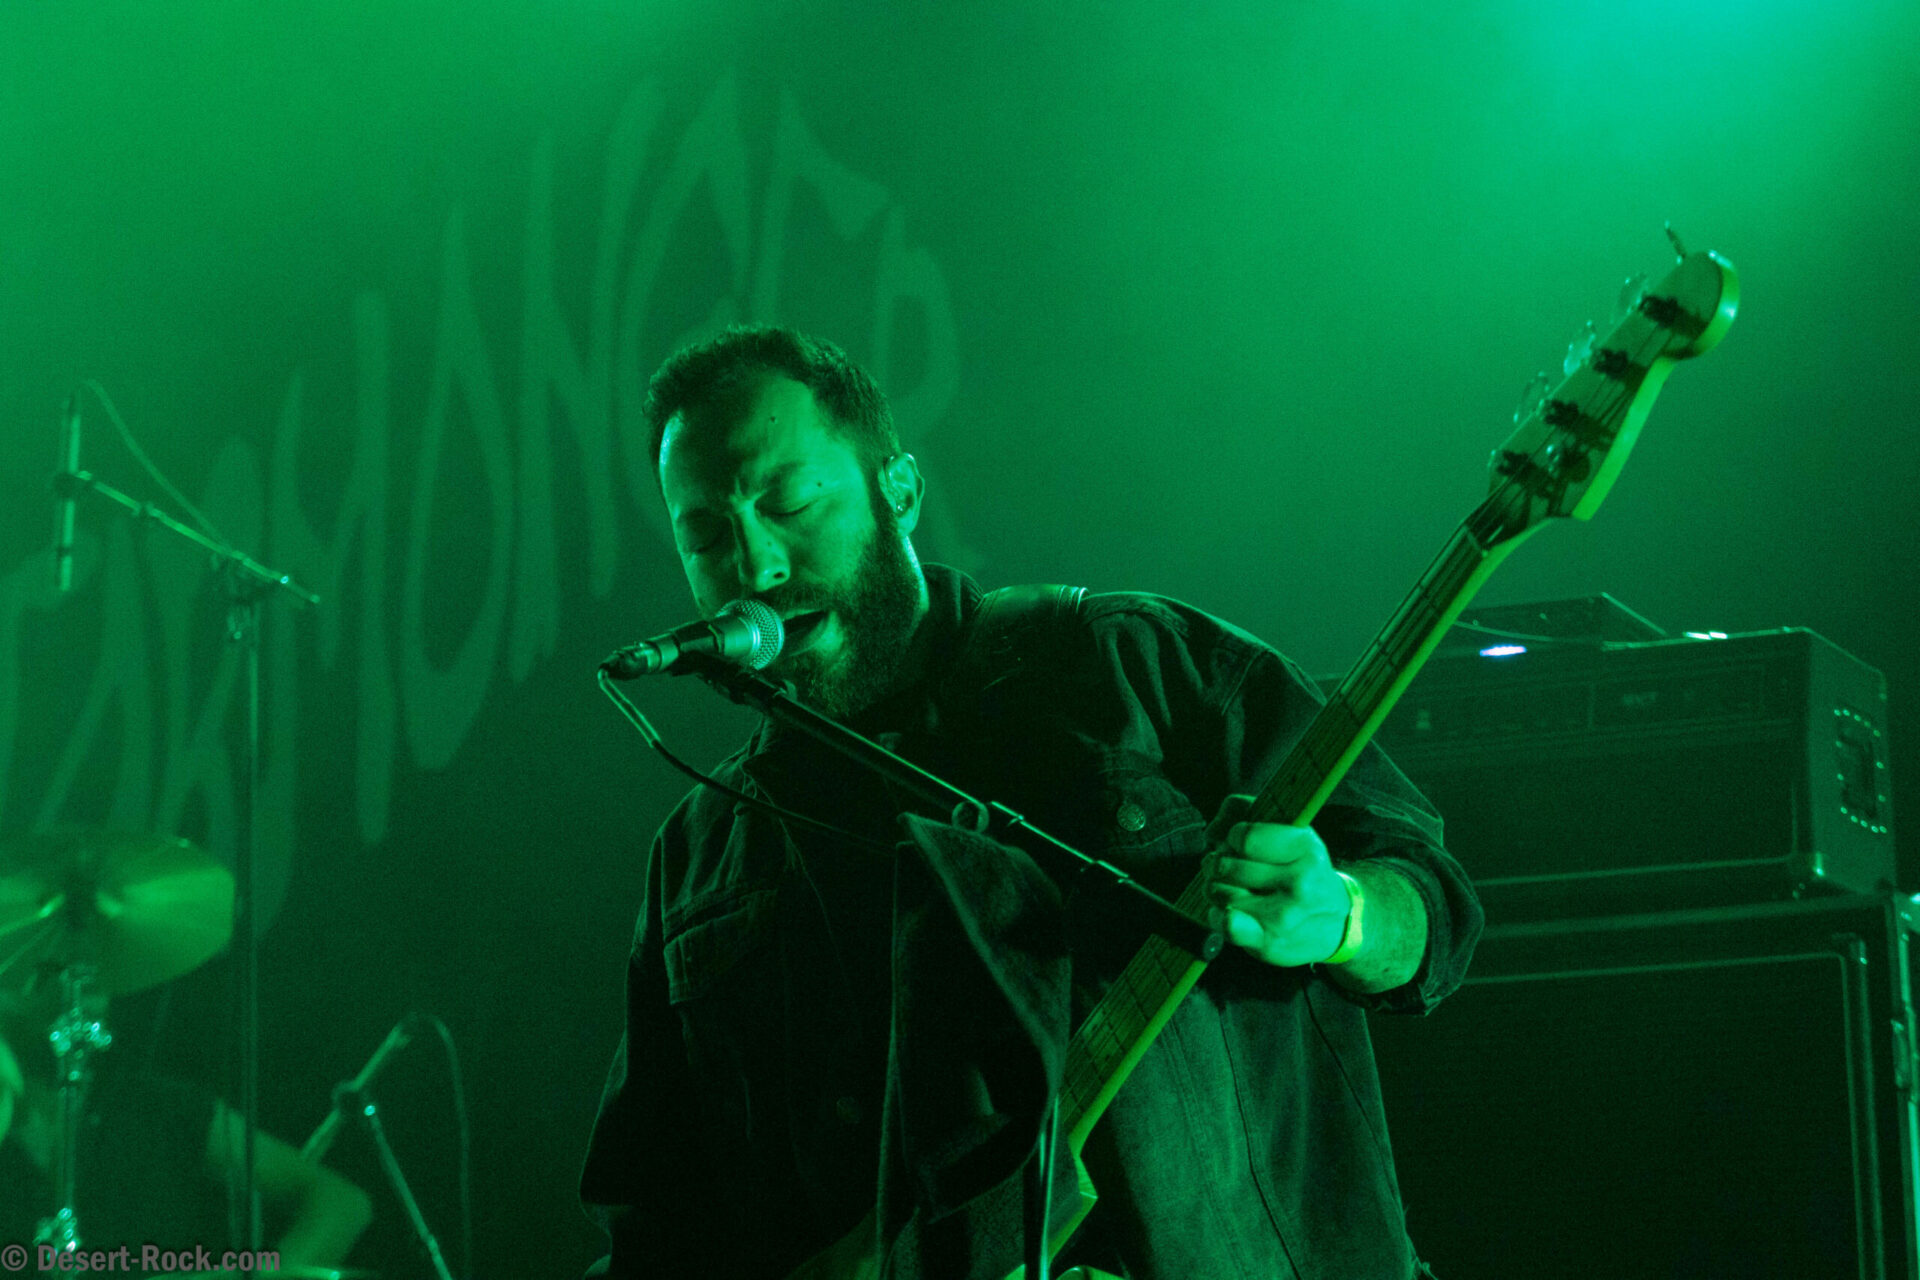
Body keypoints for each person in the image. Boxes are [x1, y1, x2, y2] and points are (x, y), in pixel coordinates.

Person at [580, 326, 1482, 1279]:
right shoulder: (698, 860)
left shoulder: (1131, 663)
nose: (756, 566)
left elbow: (1435, 906)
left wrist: (1342, 914)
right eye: (705, 535)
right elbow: (653, 1229)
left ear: (900, 492)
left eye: (791, 502)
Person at [0, 983, 373, 1272]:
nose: (84, 994)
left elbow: (339, 1203)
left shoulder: (153, 1104)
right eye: (49, 974)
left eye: (94, 980)